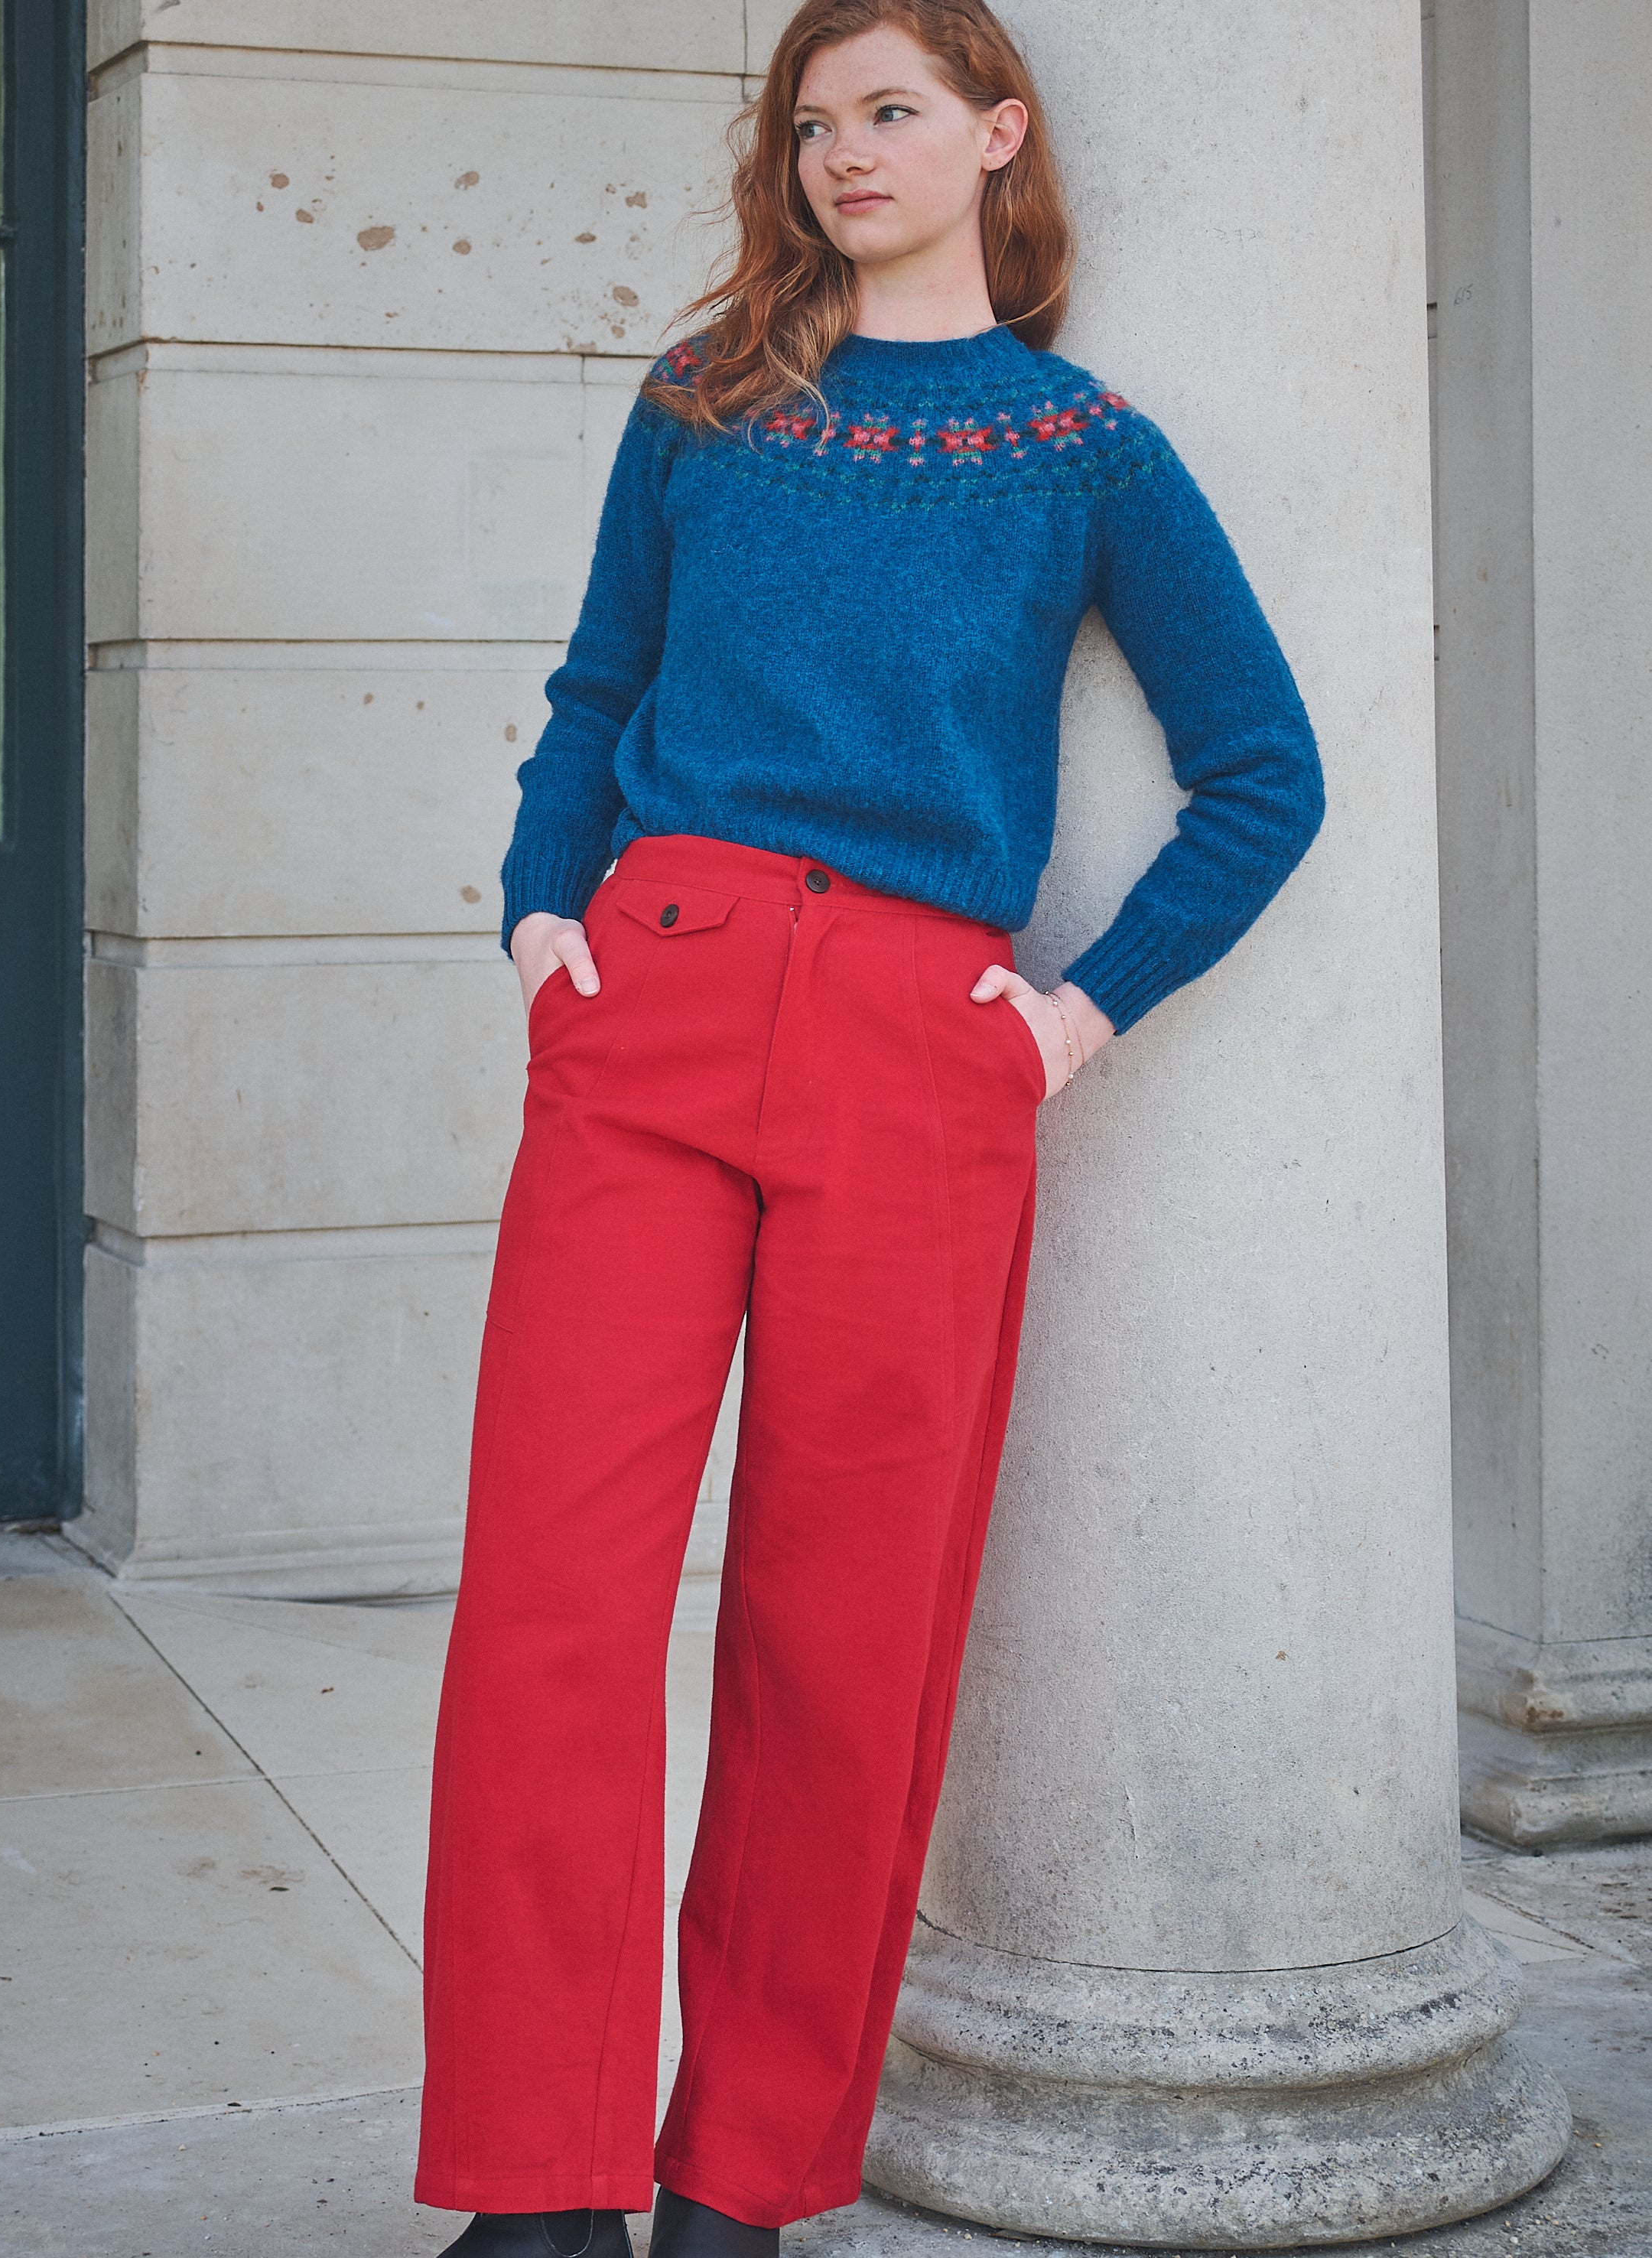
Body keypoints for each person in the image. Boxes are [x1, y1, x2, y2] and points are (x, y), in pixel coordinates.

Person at [415, 2, 1325, 2252]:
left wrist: (1066, 1024)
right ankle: (535, 2195)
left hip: (925, 1053)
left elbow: (1261, 776)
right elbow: (596, 687)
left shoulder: (1080, 450)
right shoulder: (705, 396)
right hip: (657, 1003)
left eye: (891, 111)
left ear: (995, 135)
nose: (843, 152)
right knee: (547, 1604)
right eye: (811, 121)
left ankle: (742, 2186)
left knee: (847, 1641)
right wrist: (543, 914)